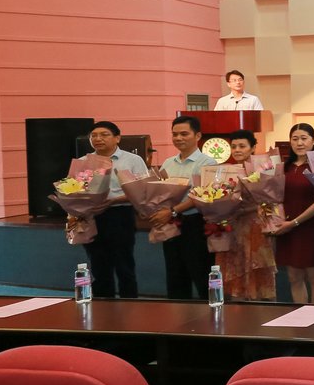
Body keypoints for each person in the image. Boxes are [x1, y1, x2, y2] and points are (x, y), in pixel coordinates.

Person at [77, 121, 149, 298]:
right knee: (99, 266)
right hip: (93, 217)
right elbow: (75, 189)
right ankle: (103, 304)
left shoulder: (132, 160)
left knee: (124, 265)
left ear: (117, 138)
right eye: (94, 136)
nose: (98, 139)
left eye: (104, 135)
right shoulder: (83, 162)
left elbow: (143, 190)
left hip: (120, 215)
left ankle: (129, 303)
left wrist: (113, 200)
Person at [150, 115, 216, 299]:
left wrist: (172, 211)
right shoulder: (168, 163)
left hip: (196, 223)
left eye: (184, 134)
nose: (178, 138)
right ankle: (179, 312)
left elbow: (202, 195)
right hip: (171, 223)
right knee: (175, 274)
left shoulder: (207, 163)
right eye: (175, 134)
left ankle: (210, 312)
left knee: (201, 272)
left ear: (198, 136)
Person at [217, 130, 277, 300]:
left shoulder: (262, 169)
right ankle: (238, 307)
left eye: (242, 146)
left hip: (255, 226)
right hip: (231, 227)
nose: (237, 150)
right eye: (234, 146)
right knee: (235, 269)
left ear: (253, 148)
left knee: (256, 267)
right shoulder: (225, 171)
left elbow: (271, 198)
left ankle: (259, 308)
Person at [273, 123, 314, 304]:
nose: (299, 143)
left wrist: (295, 222)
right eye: (295, 139)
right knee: (293, 277)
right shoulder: (283, 167)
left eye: (304, 138)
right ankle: (300, 314)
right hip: (286, 228)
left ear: (313, 141)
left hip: (309, 227)